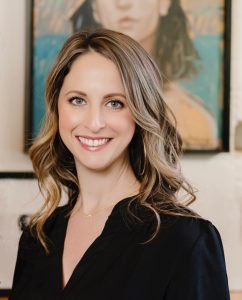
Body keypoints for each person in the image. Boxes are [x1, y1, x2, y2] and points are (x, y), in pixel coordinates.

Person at [10, 29, 229, 299]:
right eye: (77, 100)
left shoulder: (185, 239)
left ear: (140, 113)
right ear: (57, 107)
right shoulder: (38, 238)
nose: (94, 123)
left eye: (115, 103)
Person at [69, 0, 218, 149]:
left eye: (115, 103)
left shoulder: (193, 119)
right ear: (94, 8)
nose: (122, 4)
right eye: (78, 100)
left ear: (164, 3)